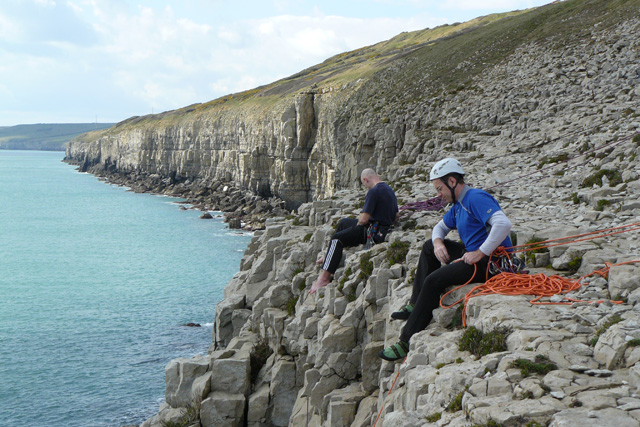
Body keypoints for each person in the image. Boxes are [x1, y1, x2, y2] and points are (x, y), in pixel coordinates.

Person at [379, 158, 513, 361]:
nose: (438, 194)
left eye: (440, 188)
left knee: (433, 281)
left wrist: (481, 253)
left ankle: (405, 341)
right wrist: (439, 244)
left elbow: (503, 224)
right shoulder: (459, 205)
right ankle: (415, 304)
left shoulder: (475, 198)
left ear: (452, 181)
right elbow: (439, 228)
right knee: (428, 247)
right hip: (473, 254)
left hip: (490, 263)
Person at [310, 168, 398, 294]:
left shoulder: (373, 191)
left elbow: (363, 220)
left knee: (337, 239)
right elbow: (396, 215)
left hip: (373, 232)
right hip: (382, 228)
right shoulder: (389, 189)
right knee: (344, 223)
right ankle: (330, 255)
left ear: (365, 180)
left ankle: (323, 279)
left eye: (364, 184)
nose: (365, 187)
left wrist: (357, 227)